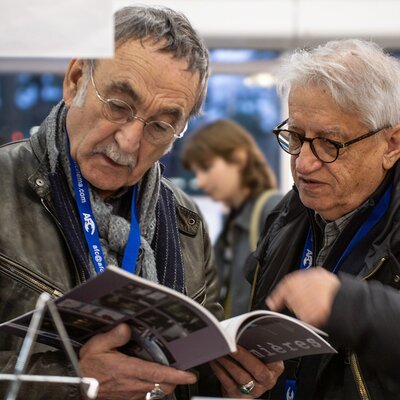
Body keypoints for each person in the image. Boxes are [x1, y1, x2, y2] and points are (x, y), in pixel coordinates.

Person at [0, 5, 284, 400]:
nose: (130, 141)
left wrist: (236, 381)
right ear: (76, 78)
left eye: (161, 125)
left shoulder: (185, 222)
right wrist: (72, 382)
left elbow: (197, 368)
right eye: (118, 106)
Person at [248, 38, 400, 400]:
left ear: (392, 145)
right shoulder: (286, 216)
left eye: (331, 144)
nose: (303, 163)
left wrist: (350, 304)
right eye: (296, 137)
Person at [181, 119, 282, 317]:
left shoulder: (273, 210)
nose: (200, 182)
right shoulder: (232, 223)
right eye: (196, 173)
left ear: (239, 158)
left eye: (207, 167)